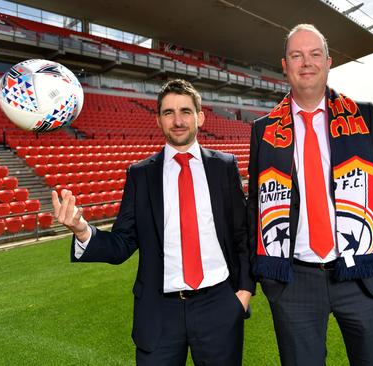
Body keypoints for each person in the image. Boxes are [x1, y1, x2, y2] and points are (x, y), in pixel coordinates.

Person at [52, 79, 254, 365]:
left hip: (218, 305)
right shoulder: (141, 175)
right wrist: (82, 229)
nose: (178, 120)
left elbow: (241, 234)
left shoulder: (224, 166)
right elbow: (123, 243)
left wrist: (243, 293)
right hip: (159, 312)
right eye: (168, 112)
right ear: (159, 120)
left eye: (185, 111)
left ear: (200, 116)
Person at [247, 24, 373, 366]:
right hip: (294, 282)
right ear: (284, 65)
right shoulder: (263, 129)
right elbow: (255, 207)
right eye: (296, 55)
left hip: (362, 274)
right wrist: (271, 280)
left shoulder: (363, 115)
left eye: (315, 54)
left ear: (328, 62)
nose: (307, 63)